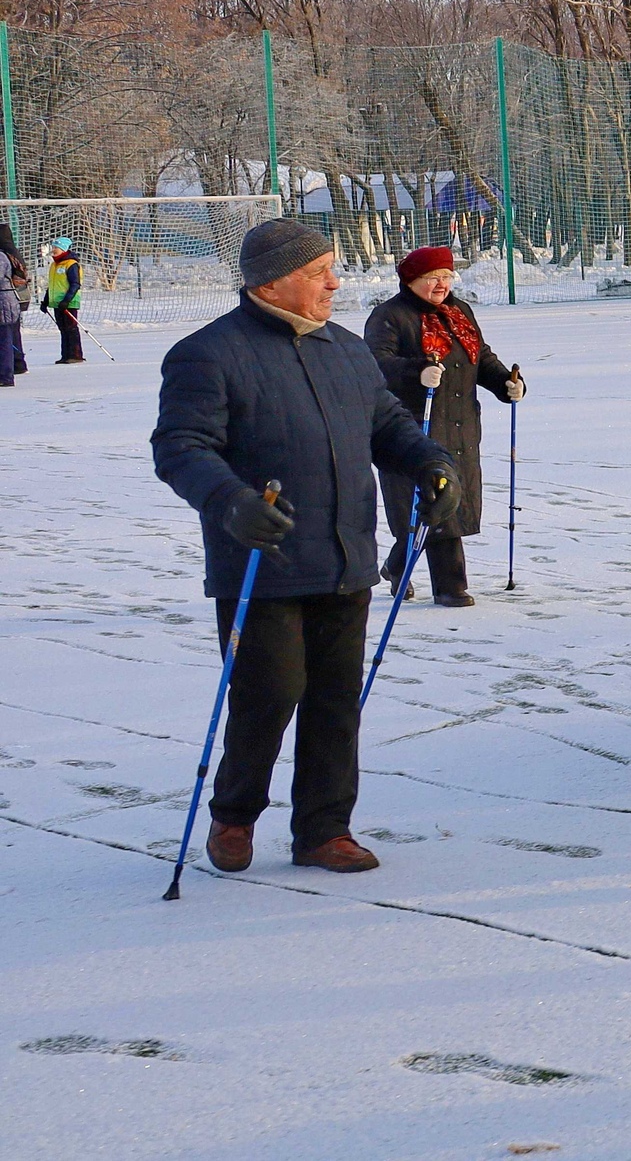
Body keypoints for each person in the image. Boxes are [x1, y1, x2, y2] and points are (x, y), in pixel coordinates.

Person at [150, 219, 458, 875]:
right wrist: (231, 502)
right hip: (261, 564)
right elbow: (180, 449)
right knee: (270, 695)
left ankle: (324, 829)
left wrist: (436, 465)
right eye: (321, 271)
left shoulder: (347, 351)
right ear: (275, 279)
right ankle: (234, 814)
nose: (335, 283)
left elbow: (393, 430)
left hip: (346, 558)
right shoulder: (207, 354)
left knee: (335, 700)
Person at [364, 246, 525, 609]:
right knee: (426, 503)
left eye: (447, 276)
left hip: (461, 424)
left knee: (448, 502)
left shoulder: (459, 312)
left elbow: (479, 356)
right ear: (411, 280)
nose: (441, 284)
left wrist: (506, 384)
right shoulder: (389, 316)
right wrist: (416, 372)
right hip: (409, 428)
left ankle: (396, 567)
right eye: (431, 278)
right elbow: (374, 364)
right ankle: (450, 586)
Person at [43, 236, 83, 363]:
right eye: (53, 247)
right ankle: (65, 355)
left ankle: (75, 355)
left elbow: (75, 284)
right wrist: (46, 301)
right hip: (57, 303)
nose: (53, 250)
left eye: (56, 248)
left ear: (63, 249)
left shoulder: (71, 264)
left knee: (71, 328)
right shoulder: (54, 265)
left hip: (68, 303)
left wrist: (67, 300)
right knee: (62, 328)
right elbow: (52, 285)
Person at [0, 226, 24, 387]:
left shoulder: (1, 256)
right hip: (6, 301)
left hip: (4, 303)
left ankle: (6, 375)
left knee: (4, 340)